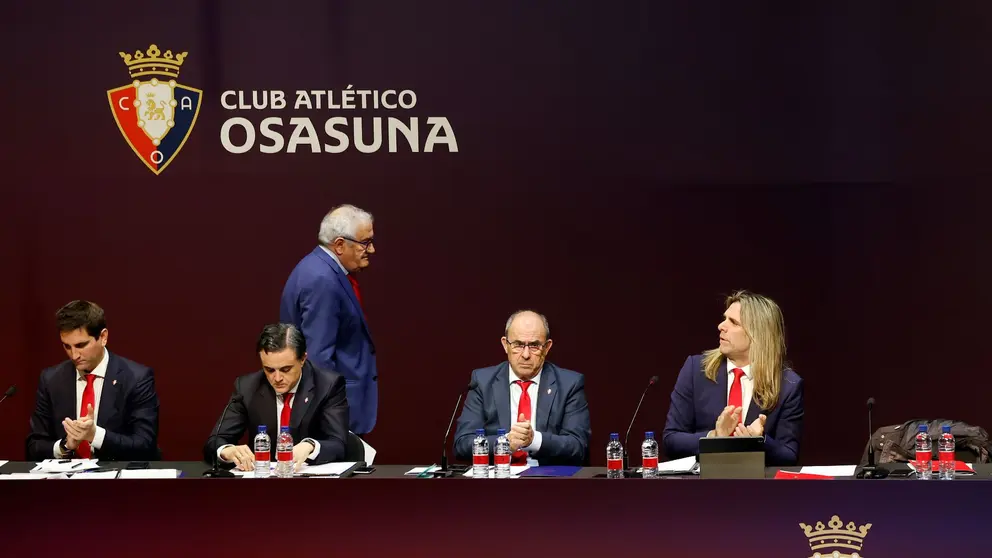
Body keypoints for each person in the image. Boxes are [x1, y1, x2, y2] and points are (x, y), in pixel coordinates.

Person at [662, 290, 804, 466]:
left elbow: (789, 454)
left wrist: (759, 441)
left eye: (733, 322)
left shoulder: (787, 384)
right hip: (702, 486)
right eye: (724, 318)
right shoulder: (695, 370)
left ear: (757, 335)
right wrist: (714, 436)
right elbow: (671, 439)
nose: (721, 326)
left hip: (756, 488)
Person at [280, 204, 377, 436]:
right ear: (340, 245)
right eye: (365, 242)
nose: (371, 250)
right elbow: (318, 356)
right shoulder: (323, 280)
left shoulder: (319, 269)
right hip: (334, 413)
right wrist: (330, 420)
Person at [26, 300, 160, 461]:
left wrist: (95, 435)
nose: (74, 355)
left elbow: (145, 444)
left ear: (103, 337)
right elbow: (34, 446)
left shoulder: (136, 378)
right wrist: (65, 446)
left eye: (81, 345)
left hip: (117, 481)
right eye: (67, 347)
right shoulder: (51, 379)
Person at [453, 310, 591, 467]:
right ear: (505, 345)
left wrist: (534, 440)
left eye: (534, 346)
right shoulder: (483, 382)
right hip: (497, 481)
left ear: (547, 347)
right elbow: (462, 444)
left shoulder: (569, 384)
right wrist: (504, 443)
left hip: (549, 483)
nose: (525, 355)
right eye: (518, 345)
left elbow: (579, 447)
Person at [203, 323, 349, 470]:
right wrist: (227, 451)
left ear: (303, 359)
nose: (277, 378)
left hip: (309, 482)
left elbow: (338, 444)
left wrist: (310, 446)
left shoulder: (327, 385)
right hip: (262, 481)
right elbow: (215, 441)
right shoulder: (247, 387)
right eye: (269, 369)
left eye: (286, 369)